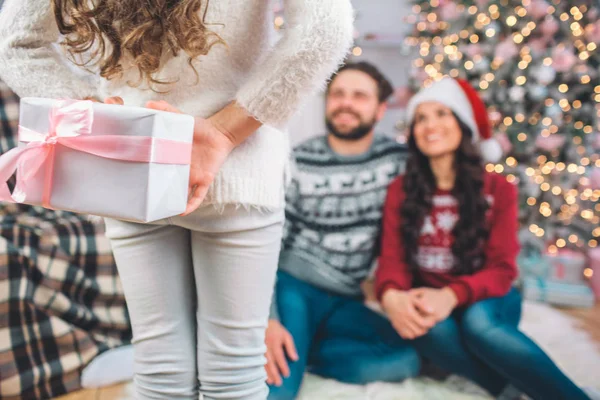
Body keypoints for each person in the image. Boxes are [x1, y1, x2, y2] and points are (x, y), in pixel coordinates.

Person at [0, 1, 354, 399]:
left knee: (159, 369)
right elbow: (325, 29)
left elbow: (17, 42)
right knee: (234, 374)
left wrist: (93, 118)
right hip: (236, 172)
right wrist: (223, 132)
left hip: (133, 166)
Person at [375, 76, 593, 400]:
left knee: (479, 324)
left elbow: (503, 270)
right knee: (424, 325)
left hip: (488, 298)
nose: (429, 125)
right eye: (420, 117)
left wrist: (451, 294)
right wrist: (391, 295)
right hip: (433, 304)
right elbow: (393, 261)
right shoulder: (401, 190)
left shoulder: (498, 189)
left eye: (441, 113)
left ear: (463, 124)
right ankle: (509, 391)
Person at [266, 62, 418, 400]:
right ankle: (295, 345)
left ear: (380, 110)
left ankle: (307, 350)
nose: (345, 103)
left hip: (347, 296)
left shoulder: (398, 161)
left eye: (359, 96)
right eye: (337, 94)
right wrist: (268, 319)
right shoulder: (298, 160)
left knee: (405, 359)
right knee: (278, 387)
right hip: (295, 289)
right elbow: (266, 244)